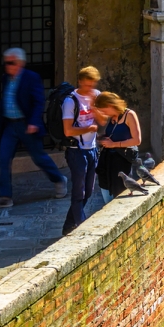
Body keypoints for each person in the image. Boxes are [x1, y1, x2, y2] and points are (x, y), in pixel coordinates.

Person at [0, 47, 66, 210]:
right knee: (3, 159)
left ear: (20, 63)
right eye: (6, 62)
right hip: (10, 125)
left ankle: (59, 179)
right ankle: (5, 197)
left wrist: (34, 122)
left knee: (39, 157)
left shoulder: (31, 78)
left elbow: (38, 101)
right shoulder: (6, 78)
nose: (8, 66)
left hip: (26, 125)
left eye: (11, 62)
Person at [61, 67, 102, 235]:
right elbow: (68, 131)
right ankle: (81, 228)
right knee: (79, 191)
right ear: (80, 82)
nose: (89, 89)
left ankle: (68, 226)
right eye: (86, 86)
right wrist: (87, 128)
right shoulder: (70, 101)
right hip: (76, 150)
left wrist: (94, 106)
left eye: (92, 86)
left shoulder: (96, 95)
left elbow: (103, 120)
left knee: (89, 191)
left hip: (92, 149)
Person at [93, 91, 142, 199]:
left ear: (110, 105)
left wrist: (114, 144)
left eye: (103, 110)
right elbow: (114, 135)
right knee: (106, 191)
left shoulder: (129, 115)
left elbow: (137, 140)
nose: (103, 113)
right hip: (107, 161)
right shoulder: (112, 118)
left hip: (122, 162)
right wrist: (103, 138)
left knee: (120, 193)